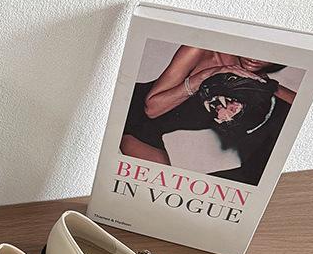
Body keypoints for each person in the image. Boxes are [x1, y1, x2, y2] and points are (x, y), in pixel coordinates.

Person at [121, 46, 294, 185]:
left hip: (153, 131)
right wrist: (206, 75)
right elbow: (151, 109)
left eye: (268, 52)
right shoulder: (201, 52)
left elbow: (299, 102)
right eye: (255, 46)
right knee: (157, 187)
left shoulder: (257, 80)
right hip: (130, 110)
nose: (255, 57)